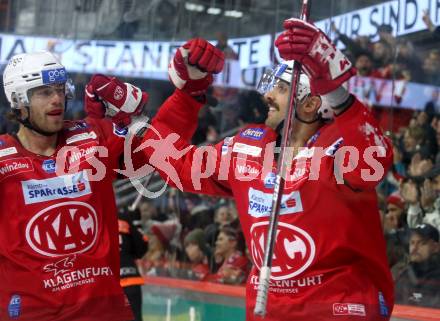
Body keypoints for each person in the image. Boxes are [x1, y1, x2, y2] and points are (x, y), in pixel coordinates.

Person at [136, 20, 394, 319]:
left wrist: (334, 90)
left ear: (310, 104)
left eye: (282, 89)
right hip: (270, 310)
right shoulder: (249, 148)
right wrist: (187, 95)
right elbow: (173, 163)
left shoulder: (340, 145)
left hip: (340, 307)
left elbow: (374, 163)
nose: (268, 96)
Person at [0, 51, 152, 320]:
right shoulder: (4, 161)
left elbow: (160, 155)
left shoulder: (90, 138)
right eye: (44, 92)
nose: (57, 98)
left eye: (60, 89)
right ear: (18, 100)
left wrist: (132, 120)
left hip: (103, 310)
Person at [394, 224, 440, 307]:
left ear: (436, 247)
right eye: (412, 242)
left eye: (422, 243)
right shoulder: (404, 275)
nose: (414, 248)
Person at [118, 208, 149, 321]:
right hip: (130, 277)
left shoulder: (92, 219)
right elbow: (141, 249)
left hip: (107, 283)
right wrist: (136, 222)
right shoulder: (124, 218)